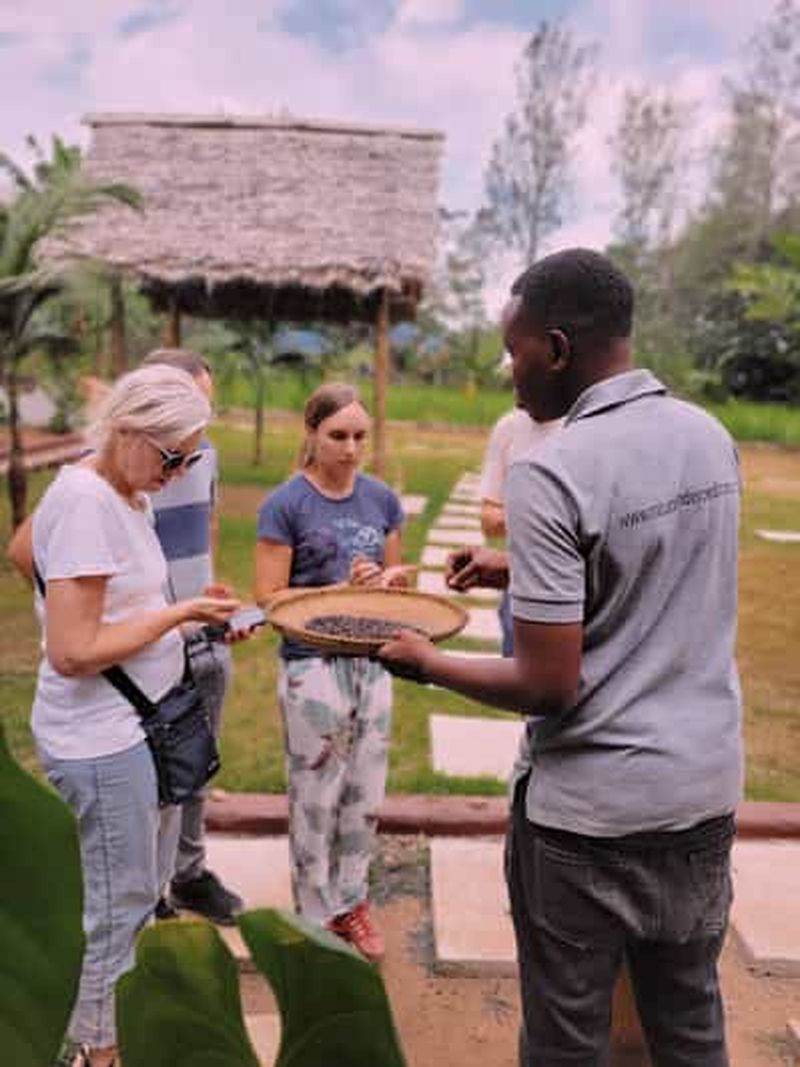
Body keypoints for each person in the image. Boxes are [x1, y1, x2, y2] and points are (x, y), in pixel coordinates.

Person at [379, 248, 743, 1066]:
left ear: (556, 346)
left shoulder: (552, 470)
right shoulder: (709, 437)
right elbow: (653, 559)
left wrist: (422, 662)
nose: (511, 373)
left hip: (591, 819)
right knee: (688, 1022)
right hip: (702, 794)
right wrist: (522, 565)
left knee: (566, 1038)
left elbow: (547, 681)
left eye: (514, 352)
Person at [27, 365, 241, 1067]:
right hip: (100, 737)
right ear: (127, 430)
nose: (178, 473)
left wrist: (191, 616)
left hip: (125, 728)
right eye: (171, 455)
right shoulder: (90, 500)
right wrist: (175, 612)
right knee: (119, 908)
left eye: (190, 458)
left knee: (132, 895)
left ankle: (101, 1034)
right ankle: (96, 1048)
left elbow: (23, 550)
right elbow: (72, 648)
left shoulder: (117, 490)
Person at [254, 382, 410, 963]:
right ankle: (314, 915)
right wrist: (334, 591)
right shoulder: (286, 504)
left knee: (364, 793)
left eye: (359, 436)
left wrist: (388, 583)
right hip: (310, 663)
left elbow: (398, 590)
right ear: (313, 434)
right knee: (316, 793)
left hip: (370, 661)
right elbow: (268, 597)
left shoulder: (382, 501)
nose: (349, 448)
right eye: (337, 436)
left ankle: (352, 901)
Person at [142, 348, 243, 926]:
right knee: (159, 774)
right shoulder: (108, 468)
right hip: (150, 646)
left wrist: (211, 595)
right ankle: (150, 894)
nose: (202, 421)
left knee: (200, 762)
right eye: (191, 405)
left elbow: (203, 528)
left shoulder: (203, 457)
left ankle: (188, 873)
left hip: (204, 634)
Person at [479, 373, 562, 656]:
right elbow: (489, 520)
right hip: (518, 583)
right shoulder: (509, 428)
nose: (516, 383)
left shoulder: (585, 427)